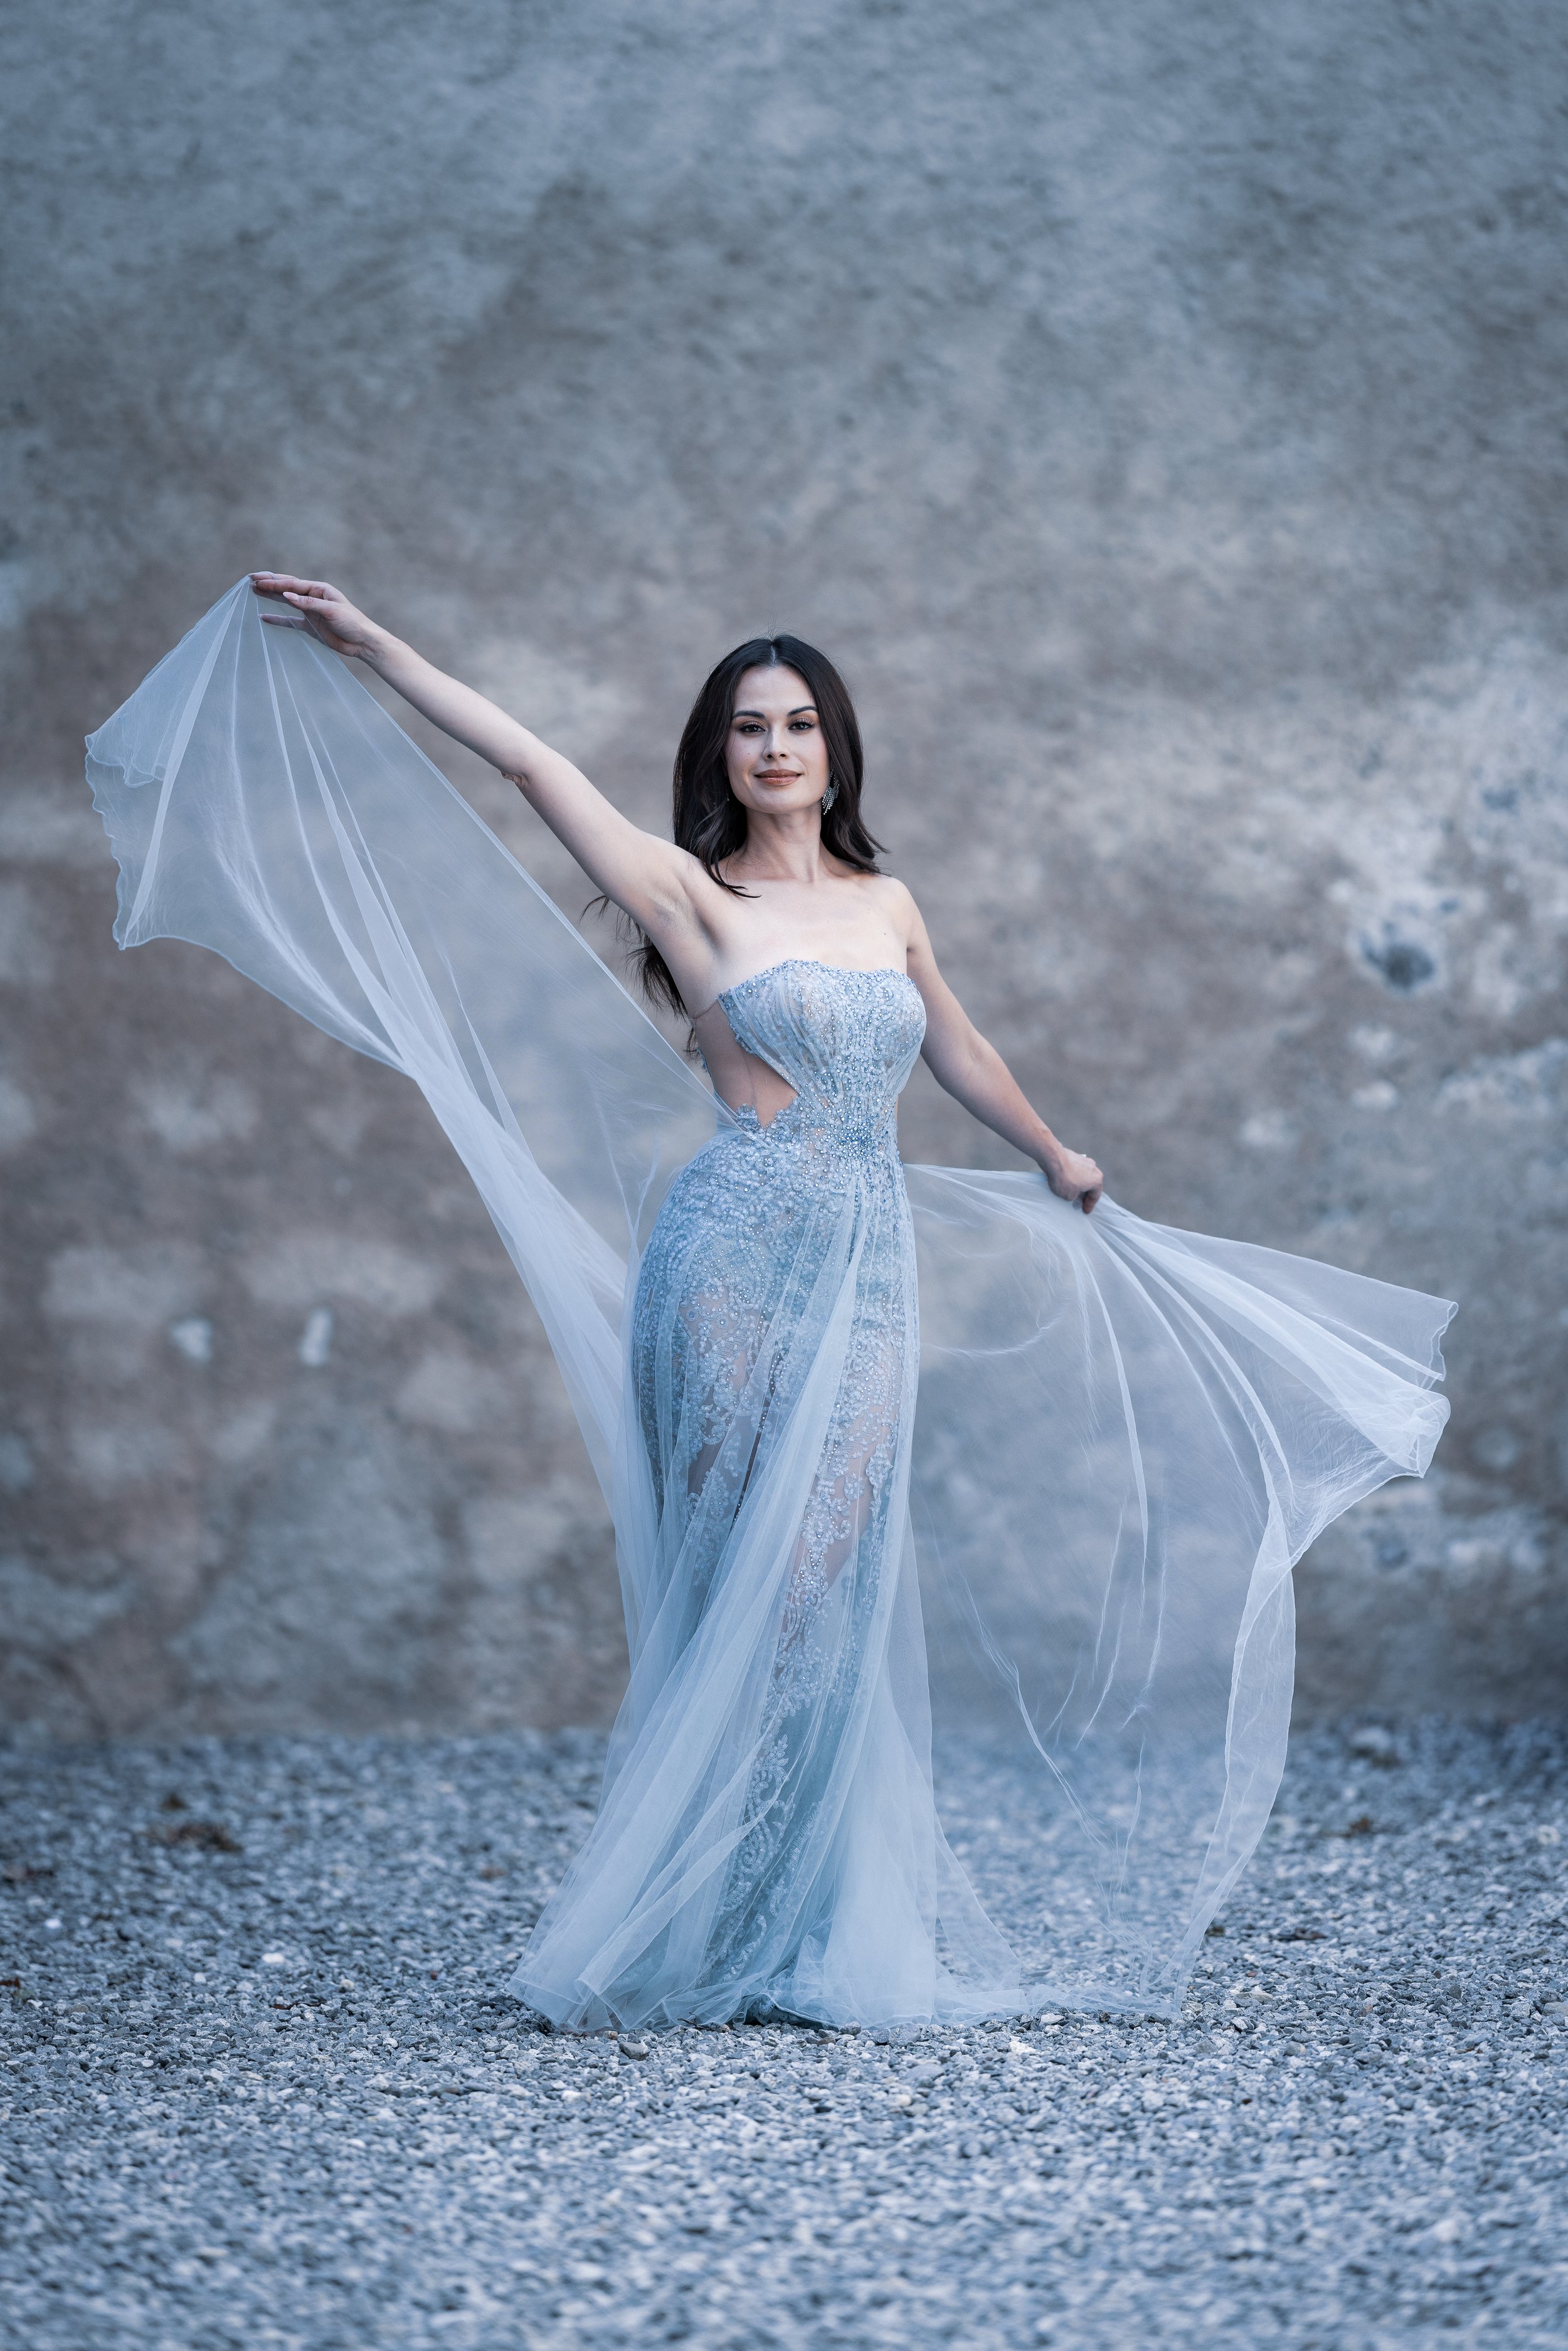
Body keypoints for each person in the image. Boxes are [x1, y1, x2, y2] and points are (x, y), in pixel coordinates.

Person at [86, 574, 1454, 2032]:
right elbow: (531, 762)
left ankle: (786, 1919)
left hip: (865, 1259)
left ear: (833, 747)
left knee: (828, 1584)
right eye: (750, 727)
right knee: (747, 1573)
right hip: (733, 1253)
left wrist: (1053, 1149)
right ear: (722, 753)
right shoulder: (690, 892)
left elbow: (960, 1041)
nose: (778, 746)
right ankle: (706, 1923)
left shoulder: (885, 900)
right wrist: (375, 645)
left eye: (800, 723)